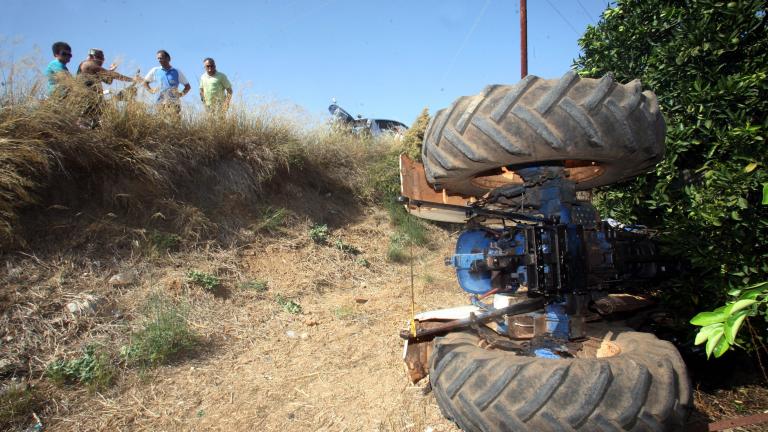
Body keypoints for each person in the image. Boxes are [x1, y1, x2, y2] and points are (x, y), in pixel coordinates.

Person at [76, 48, 137, 127]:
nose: (102, 61)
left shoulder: (94, 69)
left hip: (94, 104)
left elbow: (108, 81)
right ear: (91, 57)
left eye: (103, 59)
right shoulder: (87, 64)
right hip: (86, 103)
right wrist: (132, 79)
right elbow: (112, 75)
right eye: (100, 58)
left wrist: (111, 70)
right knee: (83, 125)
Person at [143, 50, 190, 116]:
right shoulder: (155, 70)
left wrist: (180, 95)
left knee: (174, 122)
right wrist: (151, 90)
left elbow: (187, 86)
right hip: (159, 103)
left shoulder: (176, 71)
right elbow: (145, 82)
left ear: (168, 59)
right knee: (160, 121)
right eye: (158, 58)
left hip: (174, 103)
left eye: (161, 58)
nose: (159, 60)